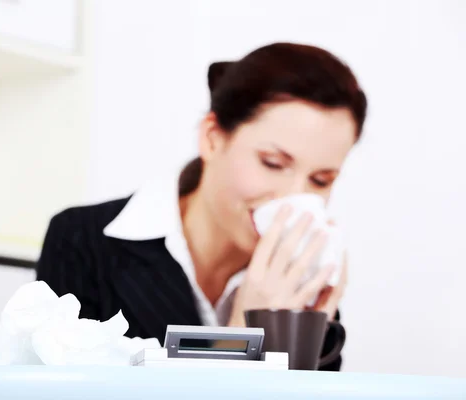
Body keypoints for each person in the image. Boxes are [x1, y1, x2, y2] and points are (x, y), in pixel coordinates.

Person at [36, 42, 367, 371]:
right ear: (211, 137)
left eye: (321, 180)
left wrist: (301, 347)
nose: (291, 198)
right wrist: (244, 335)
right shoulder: (83, 241)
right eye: (272, 163)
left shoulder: (300, 277)